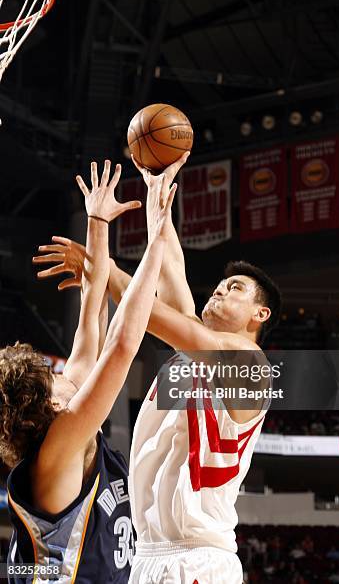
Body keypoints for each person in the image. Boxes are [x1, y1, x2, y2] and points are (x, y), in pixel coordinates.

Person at [35, 152, 282, 584]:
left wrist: (101, 267)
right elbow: (169, 268)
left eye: (236, 288)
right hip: (146, 555)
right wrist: (155, 192)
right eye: (221, 285)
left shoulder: (250, 369)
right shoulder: (191, 355)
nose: (221, 291)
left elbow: (143, 312)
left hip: (199, 559)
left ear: (259, 314)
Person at [4, 160, 175, 583]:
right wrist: (156, 240)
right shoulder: (58, 450)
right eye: (53, 375)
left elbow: (92, 309)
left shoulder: (64, 425)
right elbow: (120, 346)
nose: (65, 371)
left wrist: (97, 221)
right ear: (47, 403)